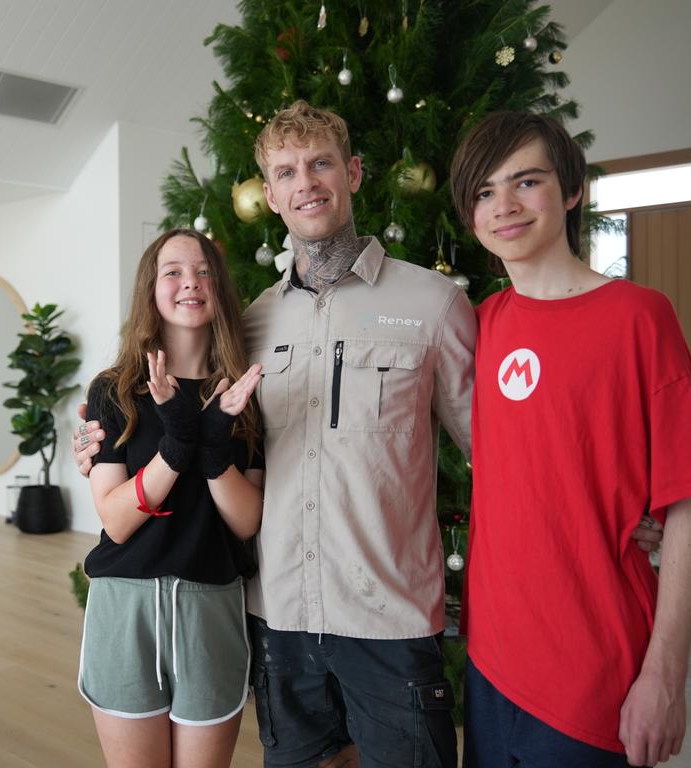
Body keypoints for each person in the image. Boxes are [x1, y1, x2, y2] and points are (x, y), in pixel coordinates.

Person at [80, 101, 475, 767]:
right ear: (269, 194)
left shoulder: (432, 304)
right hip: (280, 621)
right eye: (287, 171)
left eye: (321, 163)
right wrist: (112, 439)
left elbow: (497, 453)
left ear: (352, 172)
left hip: (388, 618)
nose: (307, 182)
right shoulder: (254, 326)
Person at [449, 111, 691, 767]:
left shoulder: (637, 318)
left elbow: (688, 505)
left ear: (571, 192)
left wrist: (665, 674)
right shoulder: (476, 327)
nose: (503, 206)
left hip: (595, 670)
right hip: (490, 666)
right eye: (483, 191)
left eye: (526, 182)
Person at [77, 227, 265, 768]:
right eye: (174, 272)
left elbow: (246, 520)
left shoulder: (241, 396)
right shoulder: (113, 391)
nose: (191, 283)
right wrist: (177, 446)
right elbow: (115, 520)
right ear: (151, 290)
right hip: (125, 609)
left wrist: (211, 446)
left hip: (211, 612)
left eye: (205, 271)